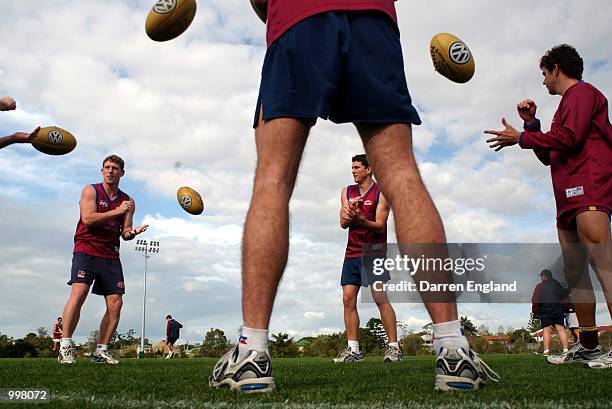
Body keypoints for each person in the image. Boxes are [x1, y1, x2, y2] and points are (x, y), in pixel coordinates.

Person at [209, 0, 498, 392]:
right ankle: (452, 347)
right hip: (372, 19)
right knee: (401, 173)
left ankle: (252, 353)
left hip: (297, 17)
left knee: (272, 180)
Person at [485, 44, 611, 368]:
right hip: (566, 198)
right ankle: (589, 346)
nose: (542, 81)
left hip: (590, 190)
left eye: (544, 73)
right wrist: (530, 126)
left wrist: (522, 139)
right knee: (575, 271)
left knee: (604, 265)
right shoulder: (563, 107)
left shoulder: (583, 94)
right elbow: (549, 155)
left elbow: (570, 139)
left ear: (556, 68)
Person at [57, 155, 148, 364]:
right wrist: (116, 211)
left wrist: (132, 232)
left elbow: (124, 232)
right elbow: (88, 219)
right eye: (107, 167)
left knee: (116, 303)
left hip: (110, 254)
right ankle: (65, 346)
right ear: (101, 171)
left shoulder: (128, 201)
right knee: (79, 293)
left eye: (115, 168)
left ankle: (101, 351)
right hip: (86, 249)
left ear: (122, 173)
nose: (110, 171)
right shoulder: (91, 190)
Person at [334, 154, 401, 363]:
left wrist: (360, 219)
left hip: (374, 251)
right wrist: (349, 214)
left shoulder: (382, 192)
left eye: (357, 167)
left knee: (379, 297)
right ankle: (354, 350)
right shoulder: (347, 191)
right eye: (351, 167)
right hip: (352, 251)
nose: (353, 171)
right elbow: (343, 223)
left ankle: (393, 348)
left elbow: (380, 224)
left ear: (368, 169)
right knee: (347, 299)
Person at [531, 269, 569, 355]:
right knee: (561, 329)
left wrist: (535, 311)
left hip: (545, 310)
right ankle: (566, 350)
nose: (540, 277)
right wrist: (564, 308)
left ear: (544, 276)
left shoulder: (539, 286)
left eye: (541, 276)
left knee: (546, 330)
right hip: (557, 309)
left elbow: (535, 299)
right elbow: (564, 296)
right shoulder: (557, 285)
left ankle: (546, 351)